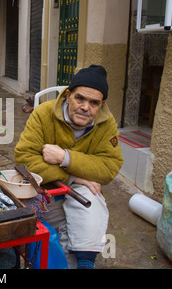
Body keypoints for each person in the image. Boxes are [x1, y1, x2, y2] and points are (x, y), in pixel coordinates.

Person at [15, 65, 124, 269]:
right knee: (61, 235)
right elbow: (24, 160)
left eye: (94, 103)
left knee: (92, 202)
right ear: (68, 95)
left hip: (82, 188)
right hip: (45, 188)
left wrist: (65, 158)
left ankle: (85, 262)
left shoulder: (106, 123)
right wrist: (73, 177)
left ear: (102, 104)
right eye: (79, 98)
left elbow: (109, 167)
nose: (85, 107)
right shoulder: (43, 113)